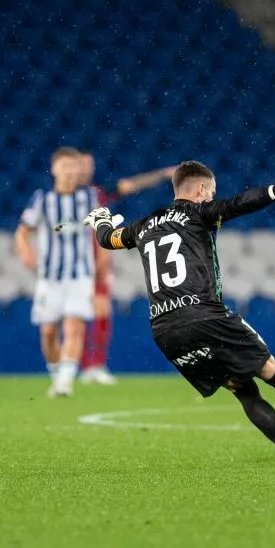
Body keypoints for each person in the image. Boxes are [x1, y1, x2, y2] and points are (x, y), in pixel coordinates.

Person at [82, 161, 275, 466]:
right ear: (201, 189)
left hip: (164, 330)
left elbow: (109, 239)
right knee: (271, 370)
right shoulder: (198, 212)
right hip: (204, 316)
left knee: (242, 388)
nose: (212, 198)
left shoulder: (143, 225)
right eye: (212, 192)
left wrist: (101, 220)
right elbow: (239, 205)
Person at [76, 151, 175, 385]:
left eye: (90, 165)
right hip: (74, 265)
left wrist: (162, 174)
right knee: (76, 316)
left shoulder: (97, 193)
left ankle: (95, 365)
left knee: (101, 312)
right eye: (82, 165)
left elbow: (132, 185)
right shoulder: (61, 198)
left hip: (98, 262)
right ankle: (80, 365)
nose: (86, 169)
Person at [14, 147, 98, 397]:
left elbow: (97, 232)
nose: (69, 171)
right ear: (54, 169)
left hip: (80, 275)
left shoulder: (89, 197)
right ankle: (56, 375)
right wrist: (26, 252)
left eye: (73, 166)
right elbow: (23, 231)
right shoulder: (42, 199)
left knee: (74, 327)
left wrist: (103, 268)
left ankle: (65, 382)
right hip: (49, 277)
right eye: (64, 166)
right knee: (49, 332)